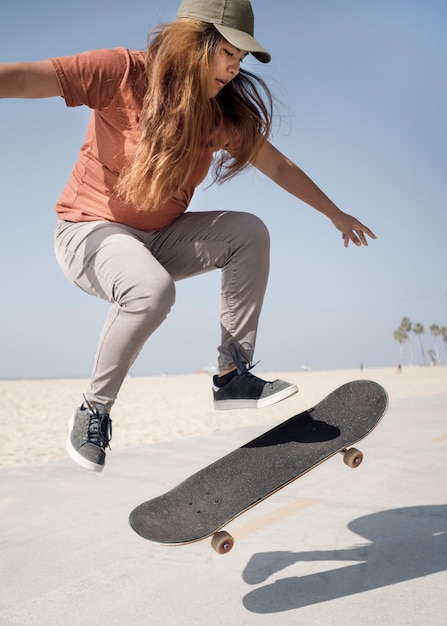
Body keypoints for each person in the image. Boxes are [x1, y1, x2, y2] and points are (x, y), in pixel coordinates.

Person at [0, 0, 376, 473]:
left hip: (159, 239)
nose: (235, 69)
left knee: (248, 232)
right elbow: (21, 79)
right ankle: (93, 411)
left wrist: (334, 213)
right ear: (194, 43)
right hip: (87, 234)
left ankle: (232, 376)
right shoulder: (120, 72)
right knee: (152, 291)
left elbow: (277, 164)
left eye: (241, 61)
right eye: (228, 53)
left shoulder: (221, 116)